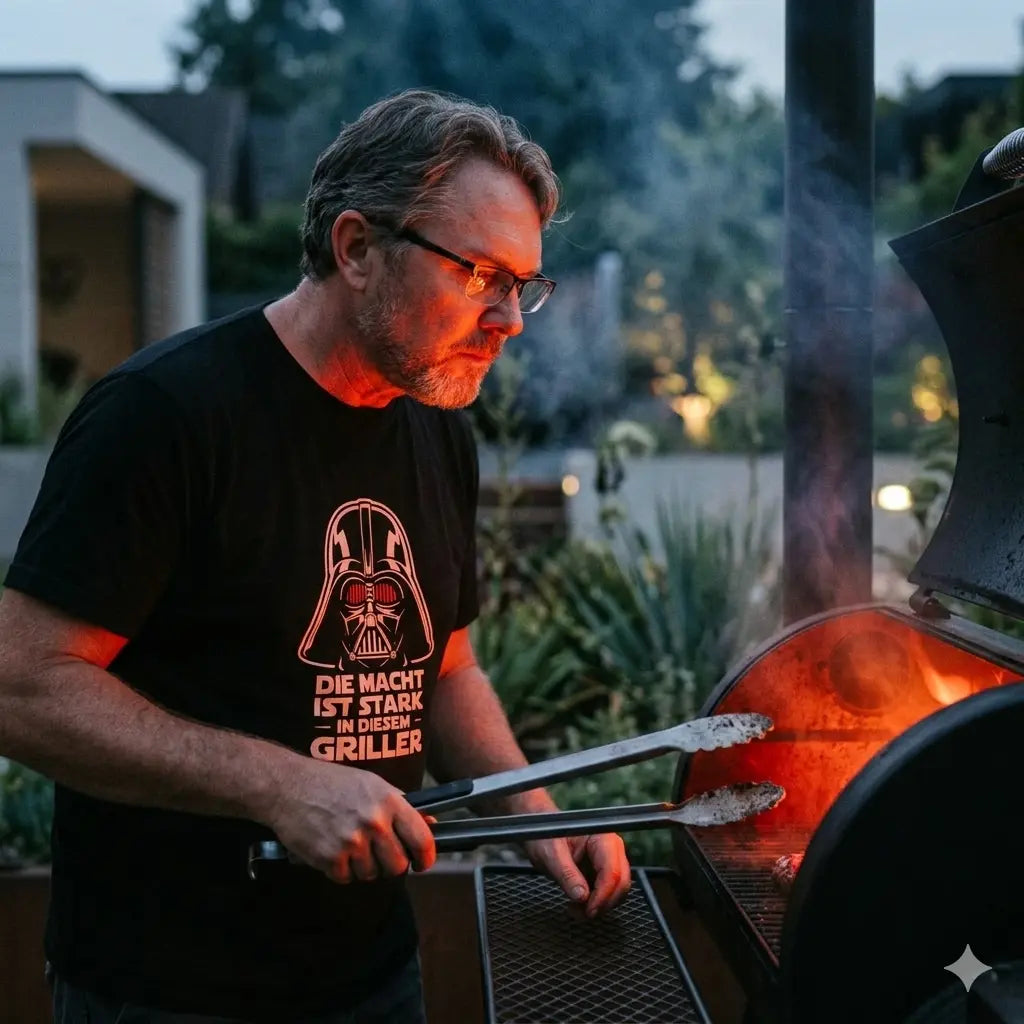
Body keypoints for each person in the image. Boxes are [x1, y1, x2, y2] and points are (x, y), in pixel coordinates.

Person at [0, 89, 631, 1023]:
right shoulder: (166, 415)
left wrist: (534, 816)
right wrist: (278, 784)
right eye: (480, 275)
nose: (511, 319)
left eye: (522, 284)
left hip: (371, 975)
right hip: (167, 988)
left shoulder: (436, 426)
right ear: (357, 249)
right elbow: (21, 686)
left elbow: (444, 668)